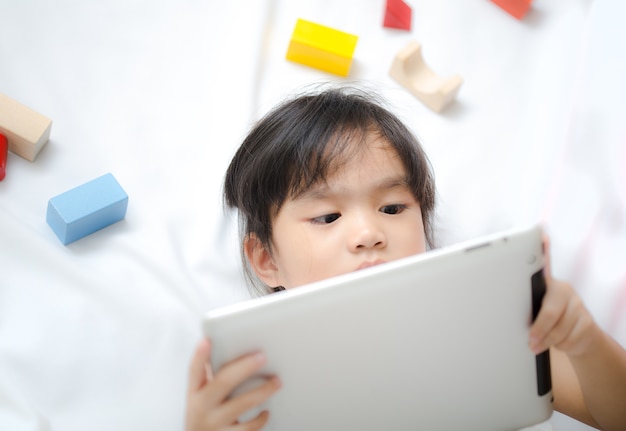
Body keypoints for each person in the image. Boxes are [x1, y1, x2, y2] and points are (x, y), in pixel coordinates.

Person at [185, 86, 626, 431]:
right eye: (327, 216)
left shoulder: (480, 318)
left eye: (393, 208)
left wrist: (585, 342)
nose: (368, 233)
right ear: (266, 260)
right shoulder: (260, 379)